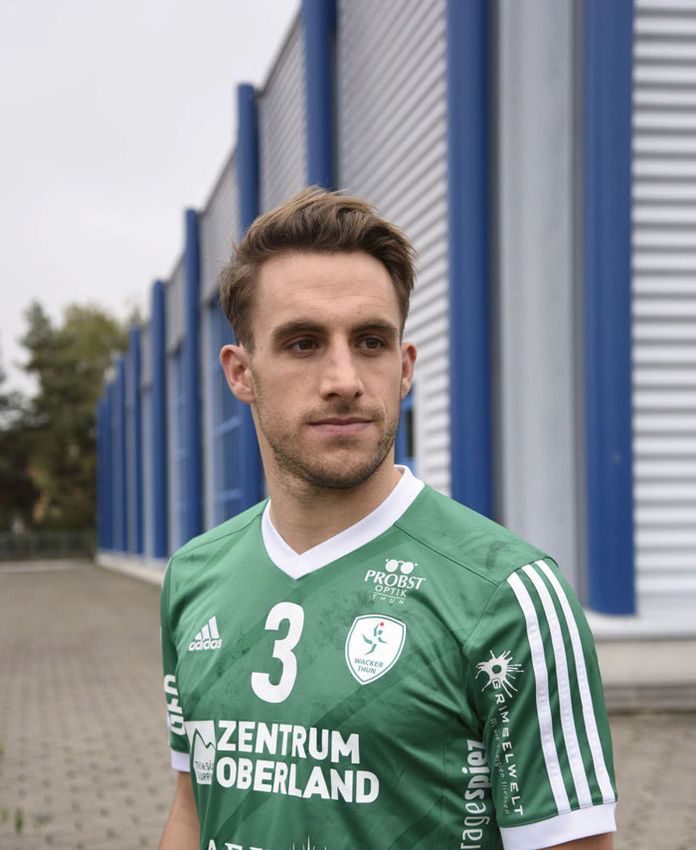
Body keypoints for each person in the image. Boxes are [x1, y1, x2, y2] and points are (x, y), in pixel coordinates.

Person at [158, 187, 617, 850]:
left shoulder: (508, 596)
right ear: (241, 372)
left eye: (370, 341)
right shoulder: (192, 576)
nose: (343, 378)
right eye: (303, 343)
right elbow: (192, 808)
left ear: (404, 369)